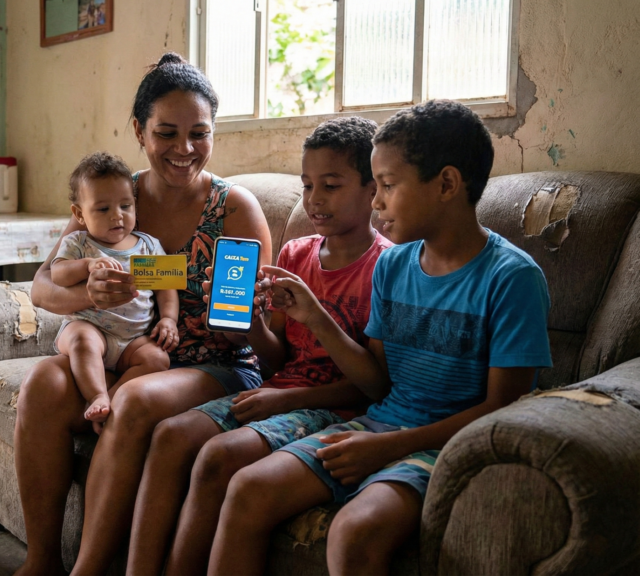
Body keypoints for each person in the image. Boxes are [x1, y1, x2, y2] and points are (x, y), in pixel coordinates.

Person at [207, 100, 553, 575]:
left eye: (388, 186)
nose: (375, 202)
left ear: (447, 184)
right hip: (379, 422)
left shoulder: (511, 279)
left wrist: (389, 447)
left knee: (354, 531)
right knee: (247, 488)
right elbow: (377, 385)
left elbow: (501, 412)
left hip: (448, 444)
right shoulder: (393, 267)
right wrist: (314, 316)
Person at [14, 52, 273, 576]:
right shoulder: (114, 196)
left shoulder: (235, 210)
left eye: (199, 133)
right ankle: (41, 560)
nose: (185, 150)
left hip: (210, 364)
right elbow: (42, 287)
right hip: (124, 350)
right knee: (42, 382)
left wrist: (238, 312)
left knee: (131, 400)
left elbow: (249, 329)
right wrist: (90, 294)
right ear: (139, 130)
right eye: (167, 133)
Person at [126, 116, 392, 576]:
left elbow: (377, 387)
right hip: (276, 390)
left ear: (374, 190)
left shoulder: (388, 267)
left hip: (333, 407)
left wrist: (289, 395)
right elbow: (278, 360)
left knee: (218, 455)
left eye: (330, 185)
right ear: (140, 133)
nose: (314, 200)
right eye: (308, 185)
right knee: (171, 434)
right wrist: (248, 328)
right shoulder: (295, 254)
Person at [50, 151, 179, 428]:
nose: (117, 216)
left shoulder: (147, 246)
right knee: (82, 340)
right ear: (79, 214)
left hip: (133, 340)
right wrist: (87, 265)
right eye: (103, 209)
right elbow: (57, 274)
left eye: (125, 206)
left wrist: (168, 319)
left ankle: (109, 398)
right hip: (90, 328)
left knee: (158, 359)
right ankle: (96, 394)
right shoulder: (79, 243)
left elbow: (167, 288)